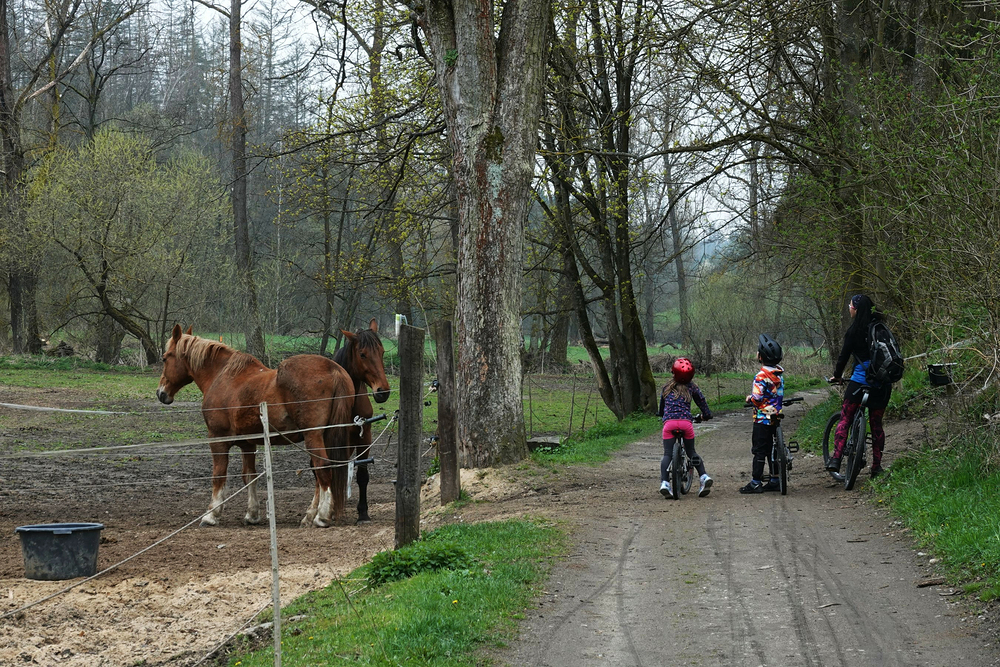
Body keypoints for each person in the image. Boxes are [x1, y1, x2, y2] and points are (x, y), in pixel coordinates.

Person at [826, 294, 892, 478]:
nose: (849, 308)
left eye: (850, 305)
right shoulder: (881, 329)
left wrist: (837, 376)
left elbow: (843, 358)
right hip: (882, 384)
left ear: (855, 309)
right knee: (877, 425)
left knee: (846, 417)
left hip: (859, 383)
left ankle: (836, 459)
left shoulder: (854, 331)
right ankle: (876, 467)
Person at [658, 357, 714, 498]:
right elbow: (702, 402)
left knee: (667, 454)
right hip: (685, 423)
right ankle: (704, 477)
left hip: (669, 424)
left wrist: (661, 415)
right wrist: (706, 415)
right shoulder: (692, 388)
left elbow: (661, 409)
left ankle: (665, 483)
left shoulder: (666, 387)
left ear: (673, 371)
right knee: (691, 452)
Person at [740, 333, 784, 494]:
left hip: (762, 418)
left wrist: (749, 398)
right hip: (775, 415)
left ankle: (756, 481)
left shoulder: (761, 376)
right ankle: (775, 479)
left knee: (759, 449)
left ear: (760, 357)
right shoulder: (778, 373)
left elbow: (758, 398)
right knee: (773, 448)